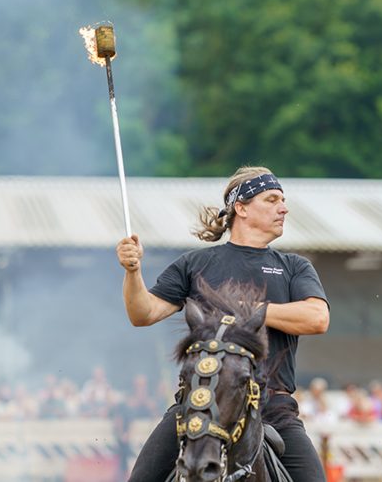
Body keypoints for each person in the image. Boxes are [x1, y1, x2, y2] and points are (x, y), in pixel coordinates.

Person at [116, 166, 330, 482]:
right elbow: (142, 313)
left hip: (274, 410)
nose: (283, 208)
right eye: (271, 200)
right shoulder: (196, 264)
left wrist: (251, 310)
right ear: (241, 208)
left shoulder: (294, 267)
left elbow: (317, 318)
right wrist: (133, 272)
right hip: (198, 407)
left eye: (282, 201)